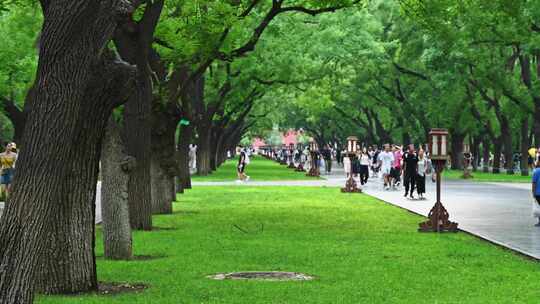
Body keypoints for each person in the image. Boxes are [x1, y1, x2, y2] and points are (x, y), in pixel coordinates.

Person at [532, 160, 540, 226]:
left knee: (539, 207)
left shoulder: (536, 171)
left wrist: (533, 192)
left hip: (538, 193)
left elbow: (534, 183)